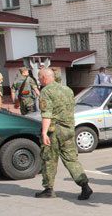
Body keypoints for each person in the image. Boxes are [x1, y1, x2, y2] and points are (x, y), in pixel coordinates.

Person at [35, 68, 93, 200]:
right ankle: (85, 186)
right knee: (71, 159)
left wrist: (44, 133)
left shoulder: (46, 91)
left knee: (49, 159)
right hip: (68, 130)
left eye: (39, 78)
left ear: (44, 78)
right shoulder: (67, 90)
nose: (39, 80)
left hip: (54, 131)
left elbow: (47, 114)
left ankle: (48, 189)